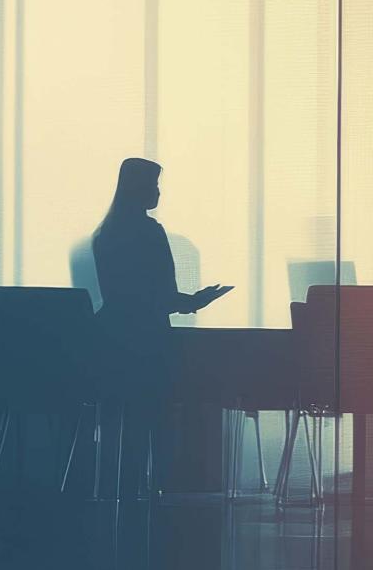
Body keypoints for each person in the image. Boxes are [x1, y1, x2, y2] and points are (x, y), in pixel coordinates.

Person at [92, 158, 231, 495]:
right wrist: (196, 302)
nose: (158, 192)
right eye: (155, 185)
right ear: (140, 188)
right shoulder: (150, 232)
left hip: (109, 341)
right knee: (159, 414)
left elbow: (127, 297)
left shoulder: (104, 234)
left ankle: (119, 487)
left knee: (118, 417)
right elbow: (162, 298)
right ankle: (160, 488)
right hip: (149, 343)